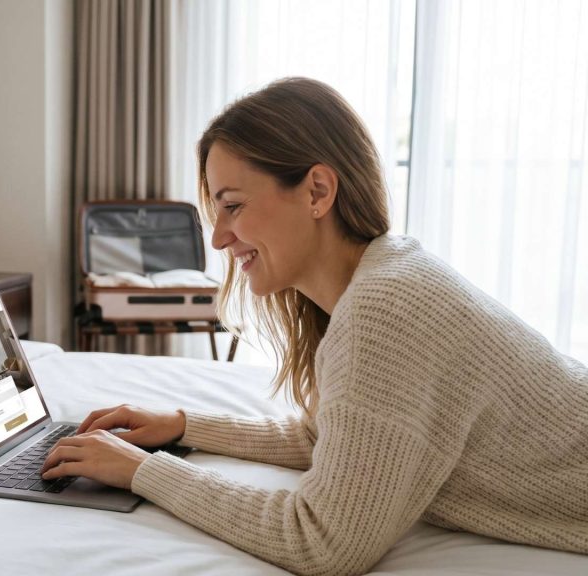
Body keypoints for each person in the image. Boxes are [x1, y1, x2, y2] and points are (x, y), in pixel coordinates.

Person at [40, 77, 588, 575]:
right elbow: (328, 437)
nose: (218, 239)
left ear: (317, 192)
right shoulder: (378, 277)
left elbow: (323, 541)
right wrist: (182, 427)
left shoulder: (386, 309)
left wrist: (142, 471)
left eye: (232, 206)